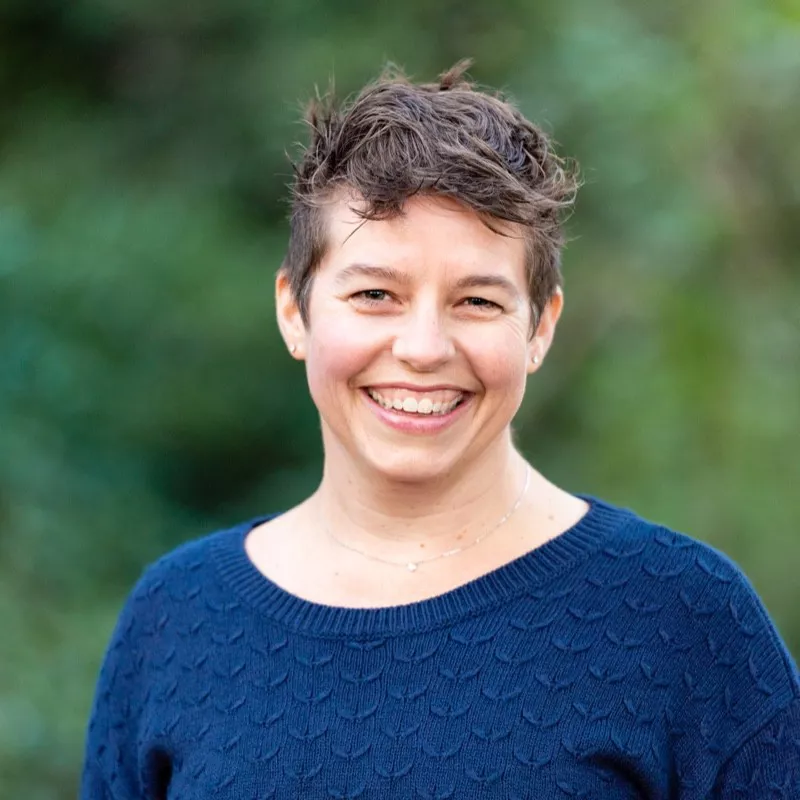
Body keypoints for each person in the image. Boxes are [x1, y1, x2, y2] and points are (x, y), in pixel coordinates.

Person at [81, 61, 799, 799]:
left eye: (477, 302)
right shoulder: (178, 619)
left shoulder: (684, 617)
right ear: (295, 310)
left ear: (541, 326)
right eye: (374, 294)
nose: (424, 348)